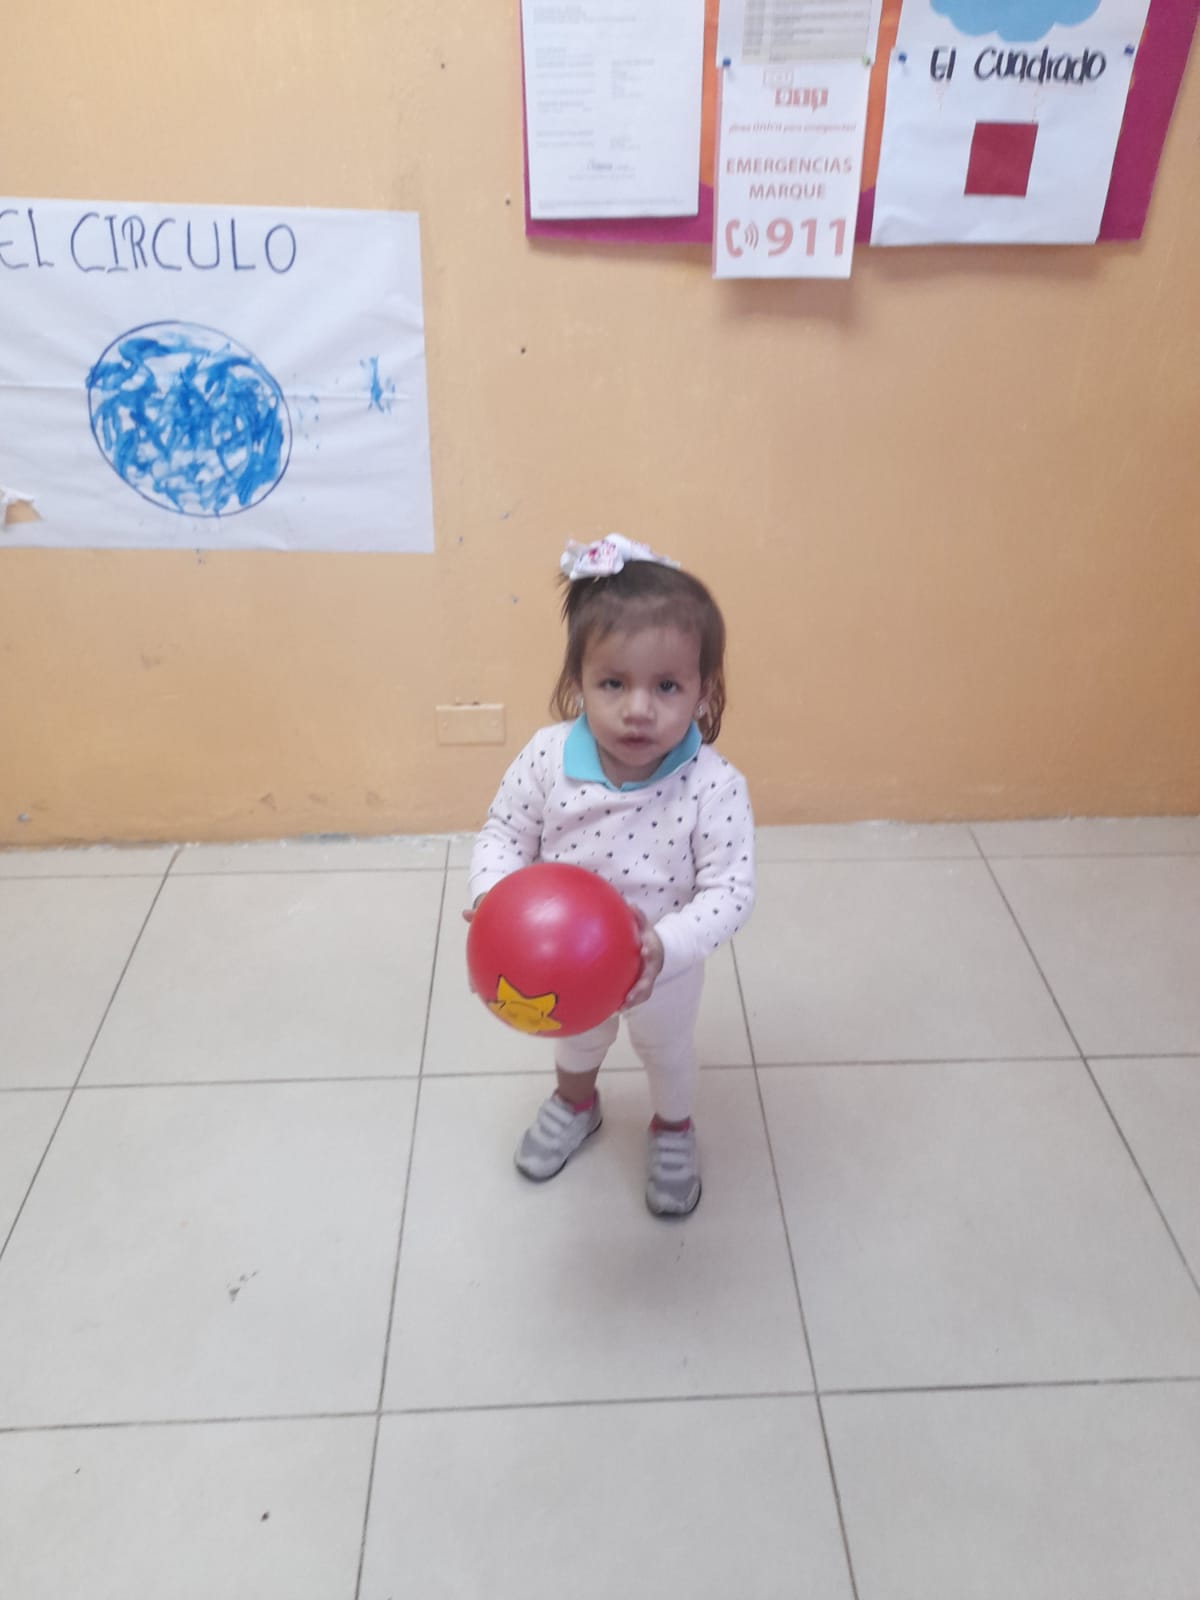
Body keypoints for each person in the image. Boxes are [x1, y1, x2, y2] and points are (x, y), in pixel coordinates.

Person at [467, 535, 755, 1216]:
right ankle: (577, 1105)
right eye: (613, 684)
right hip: (562, 966)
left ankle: (674, 1128)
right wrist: (494, 897)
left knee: (667, 1051)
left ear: (704, 691)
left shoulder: (713, 785)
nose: (638, 709)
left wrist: (666, 945)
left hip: (663, 966)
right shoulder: (546, 758)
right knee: (577, 1038)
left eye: (666, 686)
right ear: (578, 683)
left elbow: (730, 890)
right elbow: (504, 834)